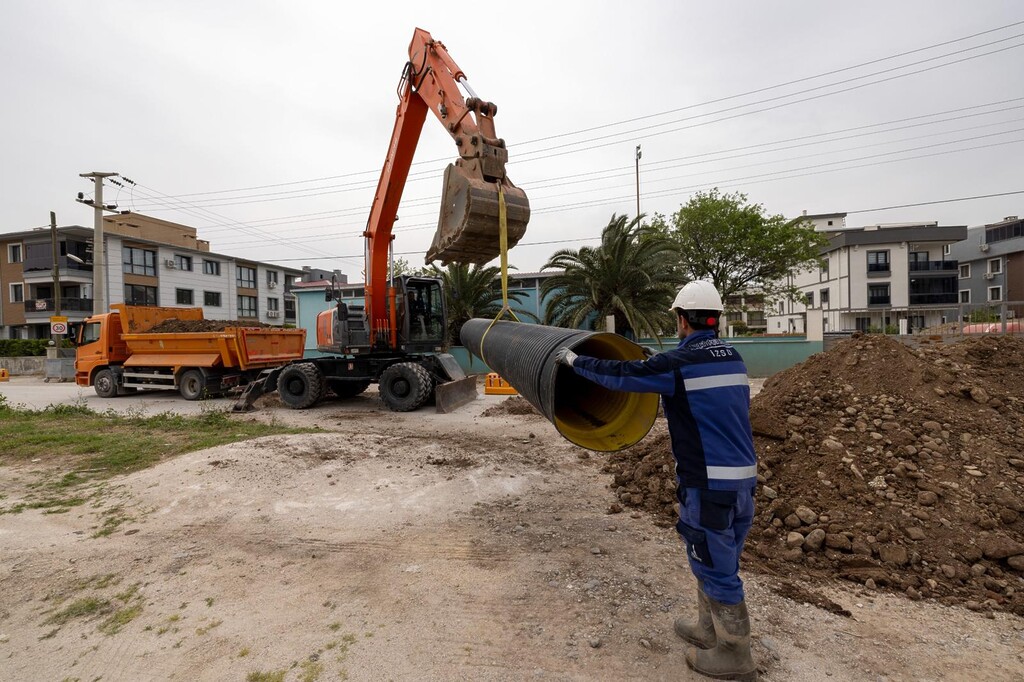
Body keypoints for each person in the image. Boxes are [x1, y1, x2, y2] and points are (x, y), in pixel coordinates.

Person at [554, 280, 758, 681]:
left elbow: (623, 375)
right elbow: (684, 375)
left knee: (714, 565)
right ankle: (708, 630)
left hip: (707, 485)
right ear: (715, 319)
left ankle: (735, 654)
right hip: (742, 483)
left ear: (682, 320)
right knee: (721, 560)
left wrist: (575, 361)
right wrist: (656, 360)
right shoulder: (732, 357)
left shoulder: (678, 366)